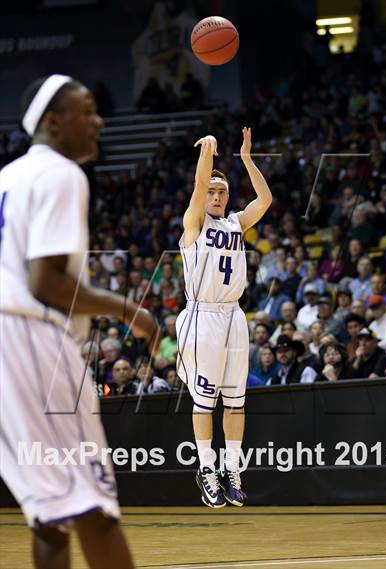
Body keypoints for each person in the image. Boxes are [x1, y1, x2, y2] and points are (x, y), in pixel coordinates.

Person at [0, 75, 160, 569]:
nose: (99, 121)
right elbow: (45, 283)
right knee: (92, 504)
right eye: (87, 110)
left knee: (51, 512)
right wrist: (130, 310)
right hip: (30, 338)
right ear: (53, 121)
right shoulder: (61, 173)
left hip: (6, 345)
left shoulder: (7, 176)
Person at [176, 128, 272, 508]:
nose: (215, 196)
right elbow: (199, 185)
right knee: (205, 401)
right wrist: (210, 156)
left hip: (233, 316)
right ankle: (206, 468)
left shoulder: (236, 224)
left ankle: (232, 468)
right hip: (202, 316)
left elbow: (265, 199)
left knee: (236, 402)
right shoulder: (193, 225)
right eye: (212, 192)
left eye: (221, 192)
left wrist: (247, 159)